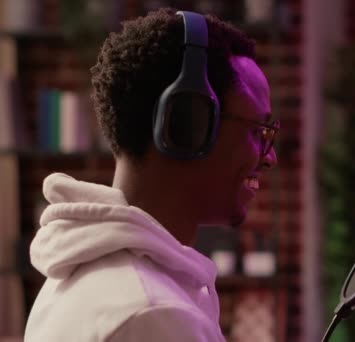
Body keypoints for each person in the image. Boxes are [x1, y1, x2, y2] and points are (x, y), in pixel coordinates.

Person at [23, 7, 278, 341]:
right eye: (258, 131)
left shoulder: (73, 277)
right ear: (188, 125)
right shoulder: (153, 314)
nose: (269, 156)